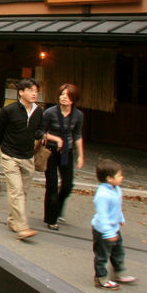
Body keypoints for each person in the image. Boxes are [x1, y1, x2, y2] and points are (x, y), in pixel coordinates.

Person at [0, 78, 43, 240]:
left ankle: (13, 220)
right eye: (31, 90)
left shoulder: (39, 111)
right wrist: (4, 147)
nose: (34, 93)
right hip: (10, 155)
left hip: (28, 156)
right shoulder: (9, 110)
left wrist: (41, 135)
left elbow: (38, 130)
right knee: (16, 191)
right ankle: (22, 228)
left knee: (23, 192)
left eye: (36, 91)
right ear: (21, 92)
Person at [41, 83, 85, 230]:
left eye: (67, 95)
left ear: (74, 98)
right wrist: (56, 139)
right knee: (52, 185)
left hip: (67, 151)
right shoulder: (50, 112)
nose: (63, 97)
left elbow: (77, 135)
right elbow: (40, 132)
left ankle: (57, 208)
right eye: (61, 94)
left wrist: (80, 156)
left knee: (67, 185)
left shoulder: (78, 115)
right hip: (51, 151)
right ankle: (51, 219)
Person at [91, 158, 137, 290]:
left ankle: (119, 272)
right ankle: (101, 278)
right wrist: (108, 233)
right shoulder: (103, 195)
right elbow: (102, 215)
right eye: (119, 175)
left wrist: (120, 218)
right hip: (103, 231)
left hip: (114, 228)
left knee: (118, 251)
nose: (122, 177)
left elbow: (116, 207)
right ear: (110, 178)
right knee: (102, 256)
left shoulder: (116, 189)